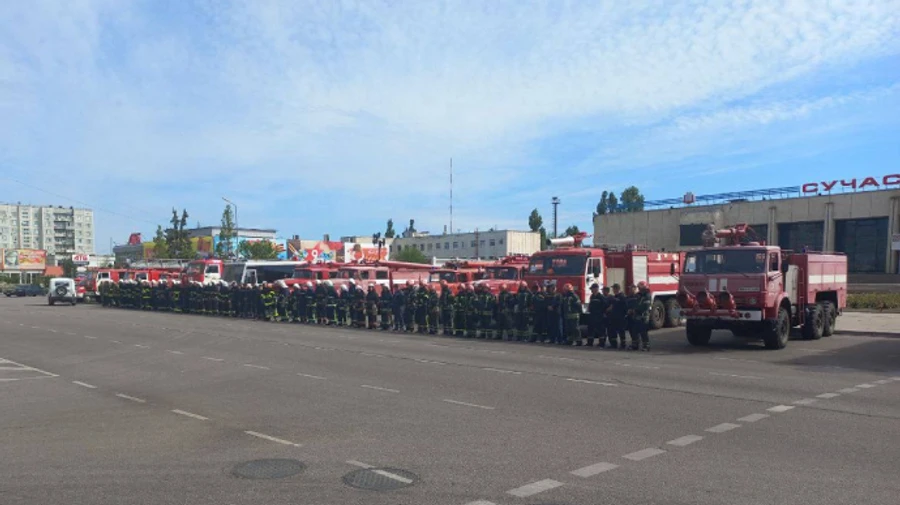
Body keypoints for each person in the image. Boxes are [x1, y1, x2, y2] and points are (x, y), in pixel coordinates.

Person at [632, 282, 653, 351]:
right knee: (635, 330)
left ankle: (646, 346)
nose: (639, 289)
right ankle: (635, 344)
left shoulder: (647, 295)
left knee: (643, 331)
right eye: (638, 288)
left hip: (644, 315)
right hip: (637, 315)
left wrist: (636, 309)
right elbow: (635, 303)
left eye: (640, 288)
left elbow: (645, 306)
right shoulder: (638, 295)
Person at [588, 283, 608, 347]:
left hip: (599, 316)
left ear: (596, 289)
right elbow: (590, 305)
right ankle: (590, 342)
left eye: (592, 289)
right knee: (591, 329)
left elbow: (605, 305)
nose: (591, 290)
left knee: (600, 329)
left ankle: (602, 343)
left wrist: (602, 313)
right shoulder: (592, 296)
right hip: (592, 315)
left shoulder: (601, 297)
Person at [609, 284, 628, 349]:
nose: (613, 290)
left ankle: (623, 344)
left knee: (621, 331)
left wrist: (624, 315)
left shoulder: (622, 296)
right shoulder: (615, 296)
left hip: (620, 317)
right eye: (613, 289)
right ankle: (614, 344)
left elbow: (624, 306)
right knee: (613, 330)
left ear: (617, 289)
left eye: (614, 288)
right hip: (614, 317)